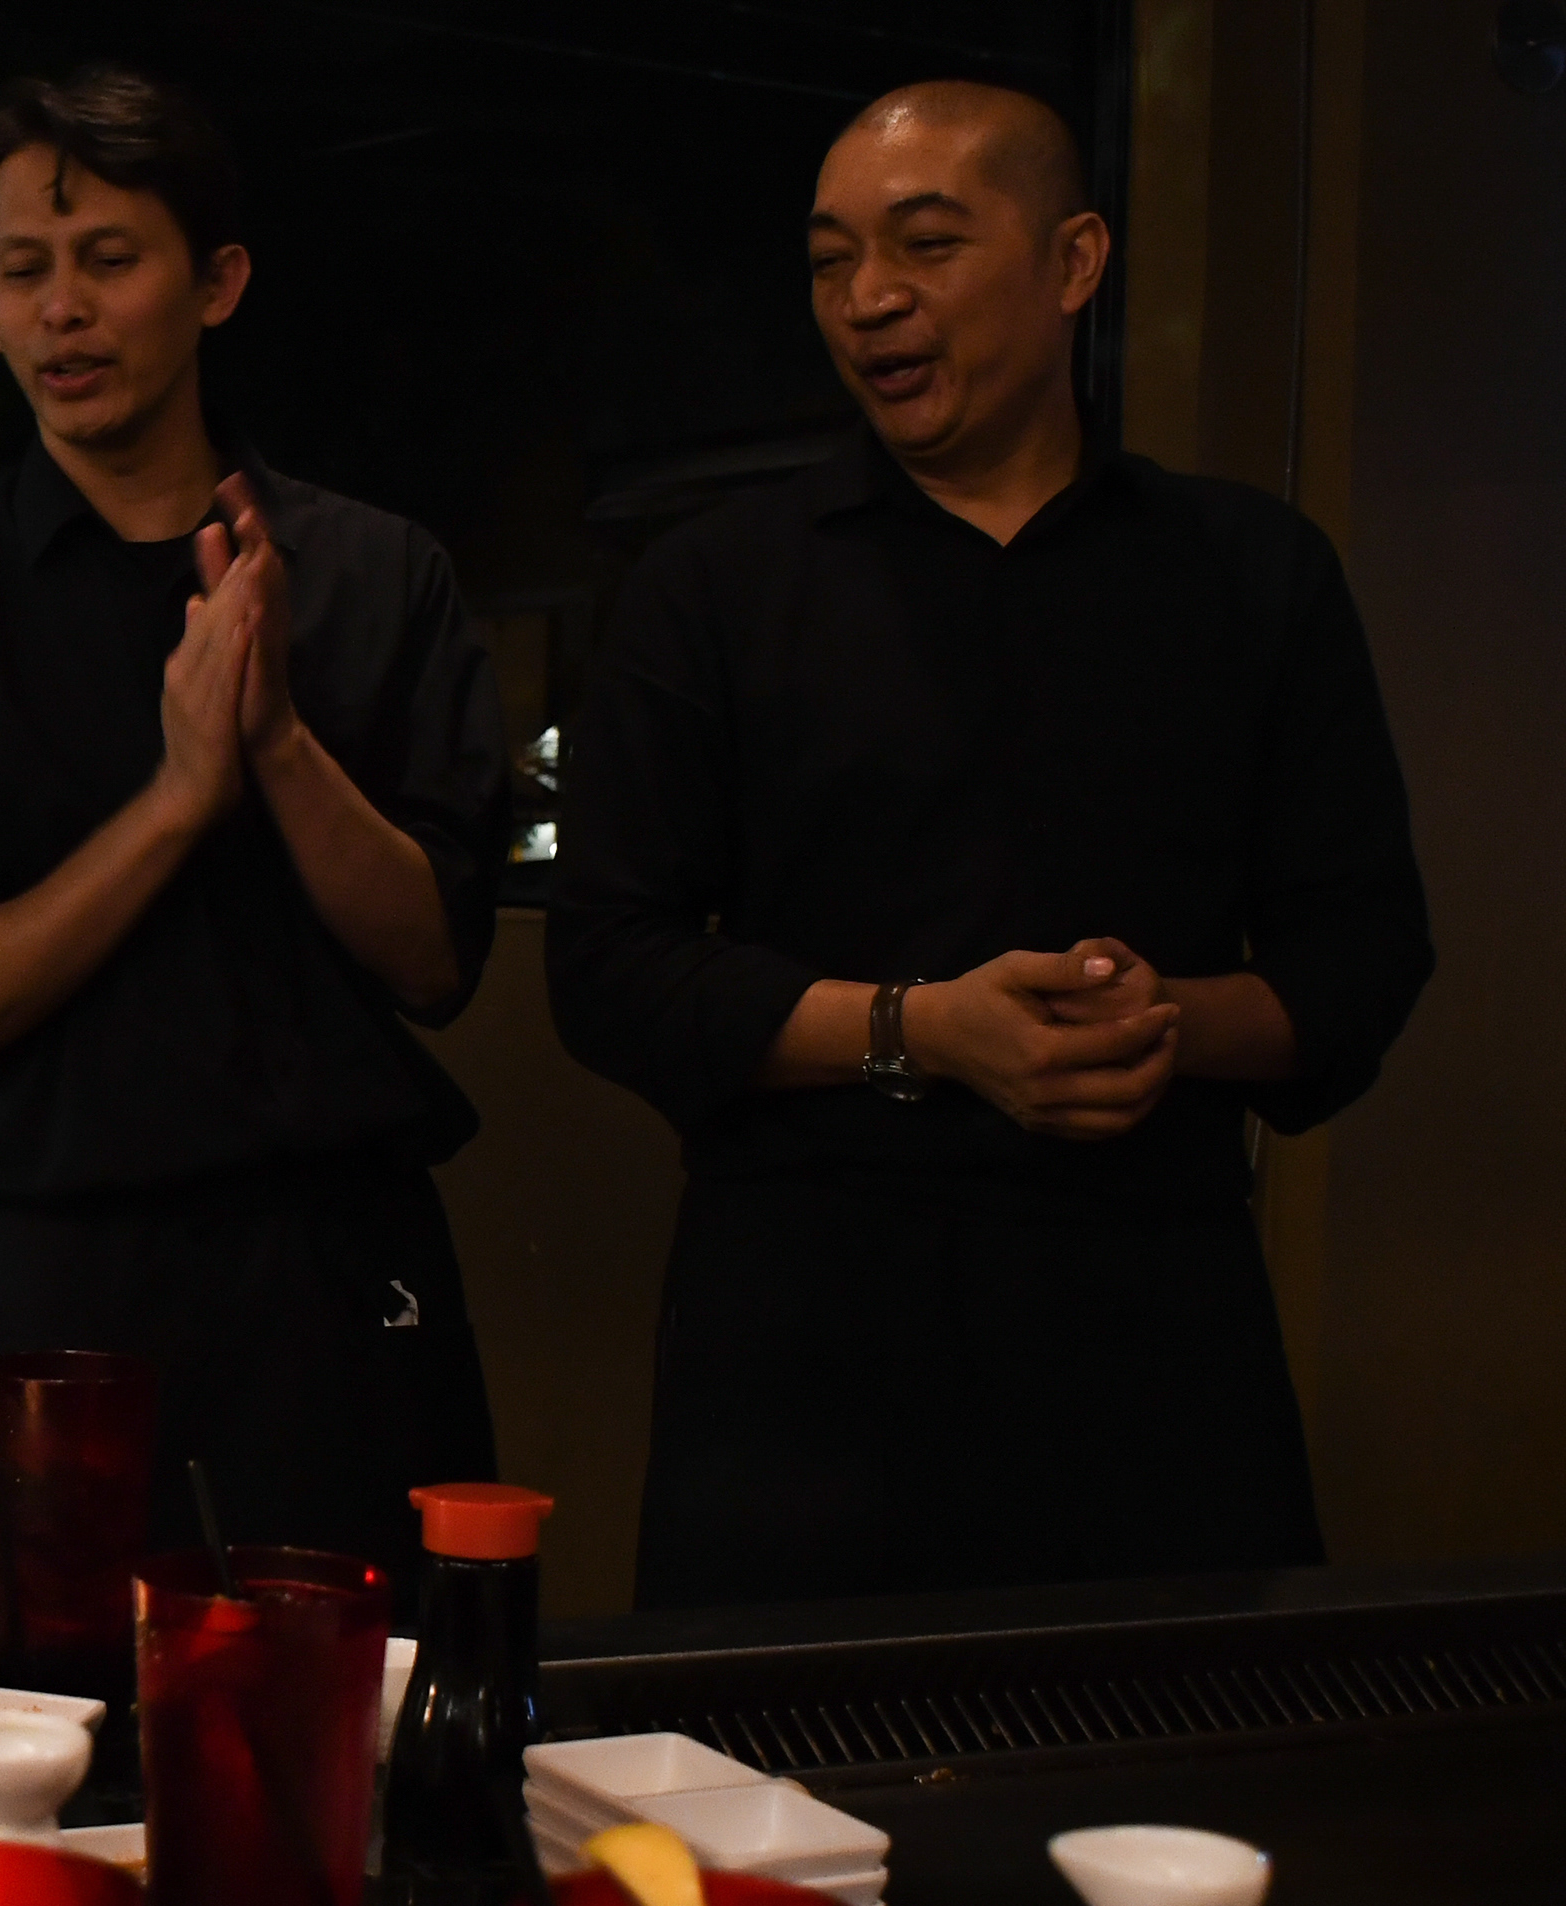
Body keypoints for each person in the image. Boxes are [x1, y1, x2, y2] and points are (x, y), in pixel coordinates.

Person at [547, 82, 1433, 1606]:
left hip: (1155, 1327)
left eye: (926, 243)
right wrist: (923, 1031)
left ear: (1075, 260)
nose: (868, 298)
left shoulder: (1249, 569)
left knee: (1176, 1741)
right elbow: (609, 965)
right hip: (803, 1336)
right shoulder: (715, 584)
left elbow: (1362, 955)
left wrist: (1159, 1020)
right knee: (792, 1749)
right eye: (831, 260)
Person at [0, 67, 512, 1575]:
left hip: (338, 1271)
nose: (64, 309)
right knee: (33, 1703)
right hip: (50, 1282)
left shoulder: (375, 576)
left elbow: (438, 958)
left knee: (367, 1699)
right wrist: (182, 798)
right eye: (23, 270)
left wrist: (278, 747)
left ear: (218, 282)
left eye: (110, 259)